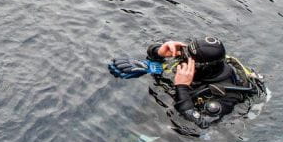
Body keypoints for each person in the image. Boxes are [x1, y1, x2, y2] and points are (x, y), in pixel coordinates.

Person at [108, 36, 263, 128]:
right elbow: (161, 58)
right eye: (184, 53)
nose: (181, 59)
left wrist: (181, 86)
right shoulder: (198, 63)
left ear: (203, 67)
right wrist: (158, 51)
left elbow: (201, 123)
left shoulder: (227, 94)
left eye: (187, 59)